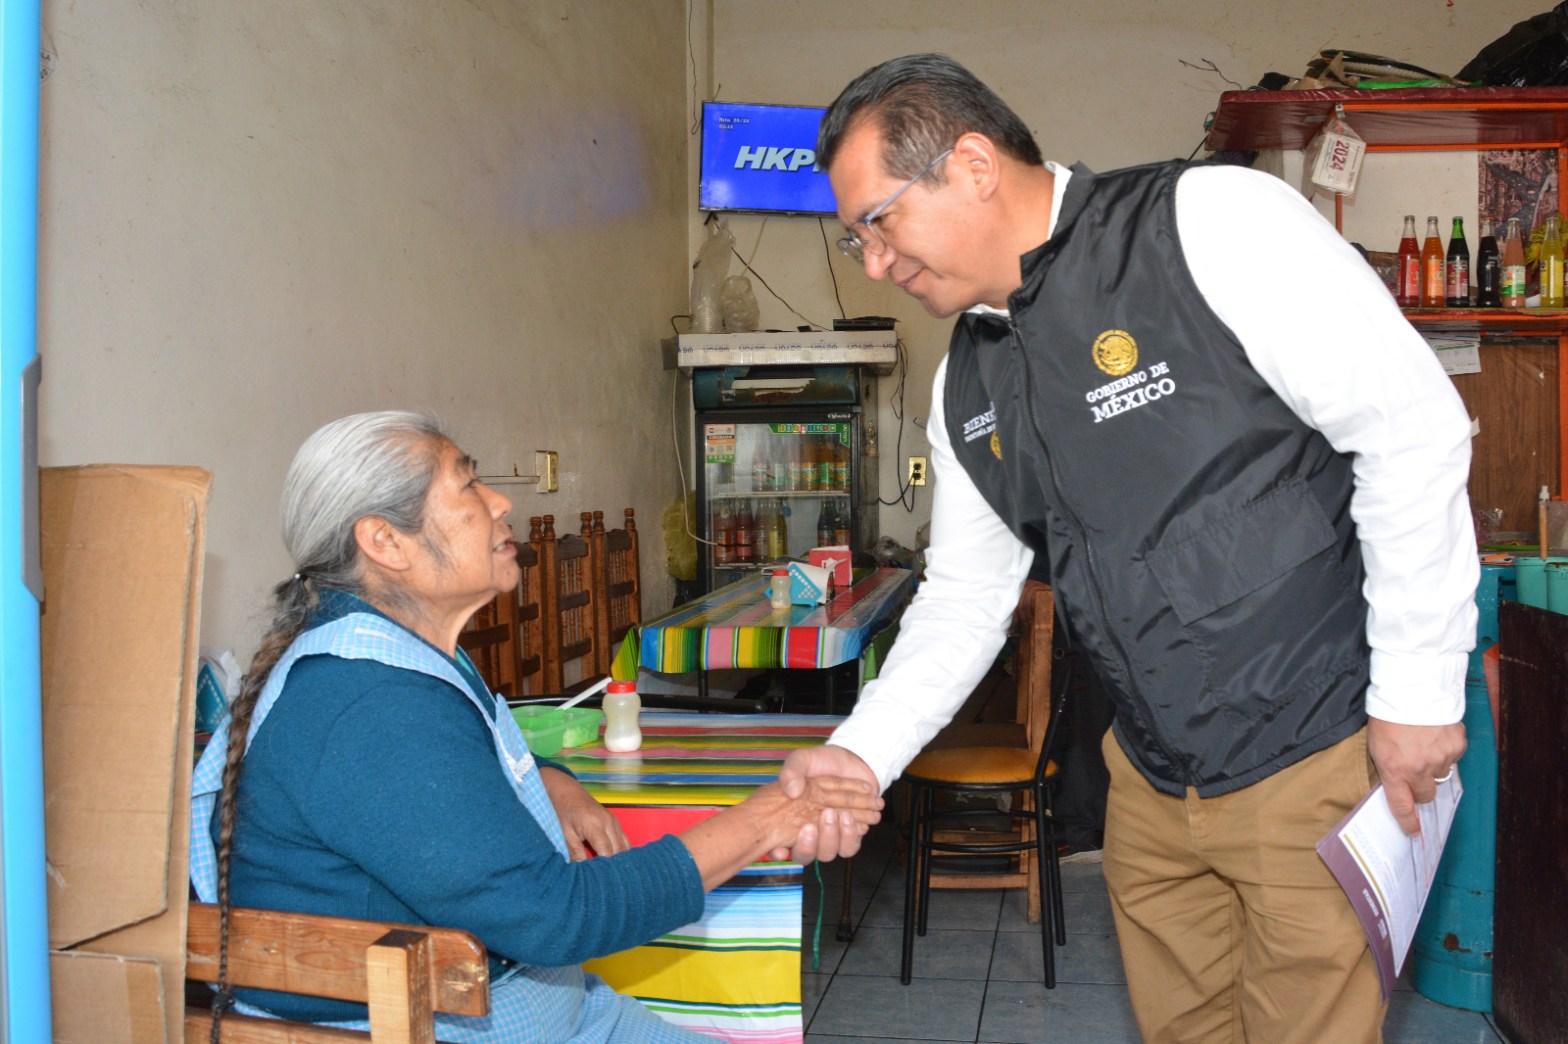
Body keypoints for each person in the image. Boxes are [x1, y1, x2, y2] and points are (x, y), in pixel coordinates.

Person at [779, 54, 1477, 1043]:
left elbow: (1409, 431)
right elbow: (966, 599)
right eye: (857, 240)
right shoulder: (963, 380)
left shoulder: (1206, 223)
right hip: (1149, 787)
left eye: (878, 222)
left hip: (1310, 758)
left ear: (972, 164)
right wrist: (859, 755)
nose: (874, 263)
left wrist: (1417, 693)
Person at [189, 411, 881, 1042]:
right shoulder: (369, 705)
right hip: (452, 1025)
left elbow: (463, 762)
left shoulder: (391, 657)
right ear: (385, 542)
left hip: (550, 1007)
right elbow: (558, 918)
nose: (500, 502)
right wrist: (768, 818)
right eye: (467, 484)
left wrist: (552, 779)